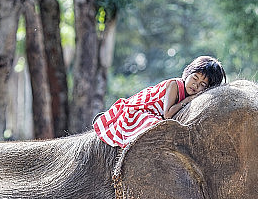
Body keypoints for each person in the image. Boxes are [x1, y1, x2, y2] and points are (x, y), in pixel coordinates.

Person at [94, 55, 226, 148]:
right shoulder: (175, 85)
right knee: (158, 126)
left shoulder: (190, 94)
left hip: (154, 114)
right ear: (188, 73)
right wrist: (187, 100)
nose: (196, 85)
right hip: (139, 111)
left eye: (203, 84)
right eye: (195, 78)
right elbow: (167, 114)